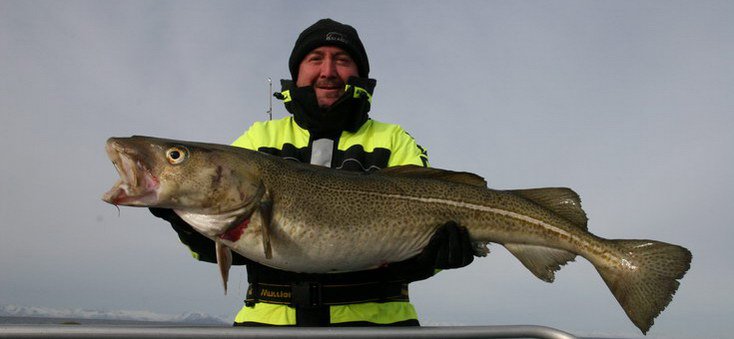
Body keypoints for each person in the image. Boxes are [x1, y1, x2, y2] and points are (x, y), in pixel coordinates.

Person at [150, 18, 475, 327]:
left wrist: (434, 258)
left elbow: (428, 230)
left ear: (359, 72)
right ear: (298, 71)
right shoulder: (257, 140)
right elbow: (219, 247)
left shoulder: (393, 140)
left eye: (343, 60)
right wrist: (181, 217)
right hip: (268, 323)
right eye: (315, 58)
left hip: (380, 325)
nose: (328, 71)